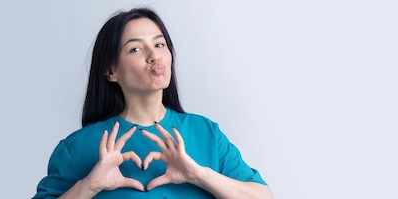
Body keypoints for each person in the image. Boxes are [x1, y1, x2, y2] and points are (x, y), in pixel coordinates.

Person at [33, 7, 273, 199]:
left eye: (159, 45)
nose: (154, 56)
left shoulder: (206, 134)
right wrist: (89, 186)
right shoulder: (79, 148)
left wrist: (198, 175)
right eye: (136, 49)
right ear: (110, 71)